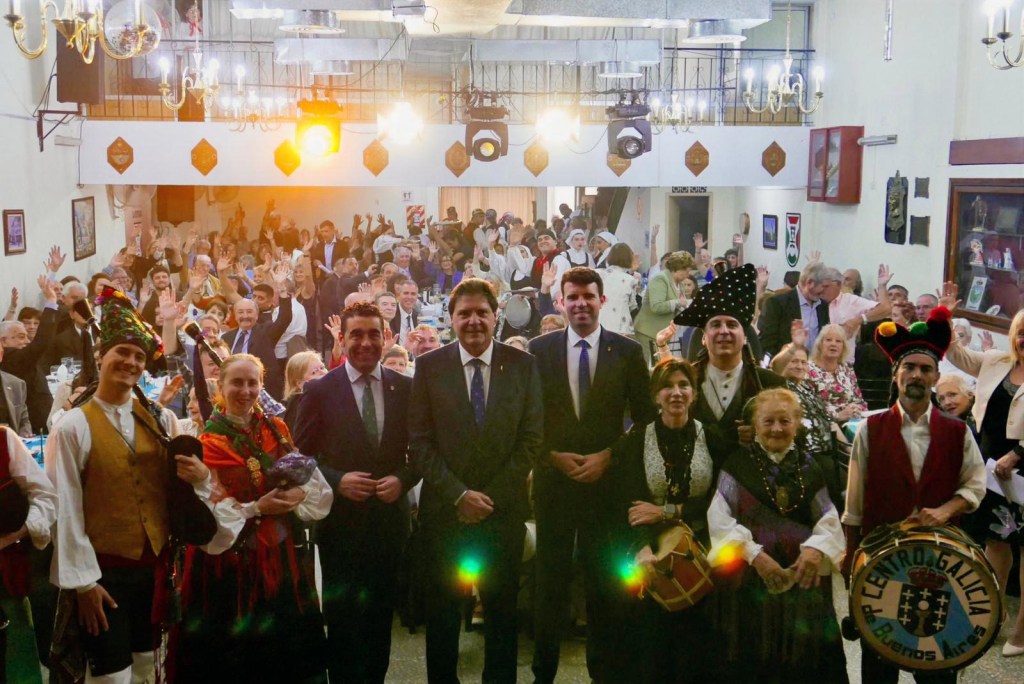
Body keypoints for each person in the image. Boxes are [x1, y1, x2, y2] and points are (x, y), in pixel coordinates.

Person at [45, 287, 215, 684]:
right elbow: (65, 510)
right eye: (122, 352)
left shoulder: (161, 420)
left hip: (153, 572)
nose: (131, 362)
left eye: (139, 356)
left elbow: (178, 491)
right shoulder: (73, 426)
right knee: (110, 676)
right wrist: (84, 584)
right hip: (104, 576)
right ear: (101, 356)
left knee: (148, 667)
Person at [842, 305, 987, 681]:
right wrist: (850, 560)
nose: (917, 375)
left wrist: (945, 510)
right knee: (879, 665)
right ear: (896, 373)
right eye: (909, 367)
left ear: (937, 376)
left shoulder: (958, 432)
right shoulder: (870, 429)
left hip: (940, 565)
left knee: (937, 665)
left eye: (925, 369)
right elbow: (854, 504)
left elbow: (974, 485)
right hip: (880, 560)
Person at [409, 278, 543, 684]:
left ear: (495, 316)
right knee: (443, 618)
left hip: (501, 515)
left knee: (502, 619)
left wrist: (489, 497)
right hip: (445, 516)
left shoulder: (523, 365)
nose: (473, 321)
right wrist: (459, 495)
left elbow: (531, 440)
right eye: (464, 313)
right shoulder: (429, 367)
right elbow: (419, 443)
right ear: (450, 319)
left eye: (481, 312)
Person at [528, 267, 656, 684]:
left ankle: (605, 672)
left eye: (589, 296)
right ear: (560, 302)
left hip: (607, 486)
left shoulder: (629, 351)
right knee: (550, 583)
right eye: (573, 297)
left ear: (602, 301)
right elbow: (527, 419)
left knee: (604, 585)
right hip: (554, 484)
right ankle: (542, 672)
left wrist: (609, 456)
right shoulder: (538, 349)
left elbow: (644, 421)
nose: (581, 303)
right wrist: (549, 456)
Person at [178, 354, 332, 682]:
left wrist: (298, 495)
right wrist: (258, 508)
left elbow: (307, 480)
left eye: (253, 382)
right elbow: (209, 516)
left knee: (285, 657)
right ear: (220, 387)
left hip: (280, 556)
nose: (245, 390)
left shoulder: (276, 429)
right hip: (229, 569)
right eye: (237, 382)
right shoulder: (208, 444)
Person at [294, 301, 419, 683]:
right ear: (342, 339)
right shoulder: (319, 390)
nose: (365, 342)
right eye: (356, 335)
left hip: (388, 524)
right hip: (341, 526)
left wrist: (403, 478)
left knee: (380, 621)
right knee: (344, 623)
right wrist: (336, 479)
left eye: (373, 334)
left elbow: (423, 450)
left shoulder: (407, 388)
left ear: (386, 337)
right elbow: (299, 458)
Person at [708, 388, 848, 683]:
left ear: (797, 423)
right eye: (768, 421)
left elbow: (828, 518)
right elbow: (719, 520)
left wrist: (815, 549)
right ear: (755, 425)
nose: (776, 429)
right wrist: (755, 556)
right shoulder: (736, 464)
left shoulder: (812, 467)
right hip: (751, 582)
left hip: (804, 580)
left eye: (784, 421)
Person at [618, 357, 719, 683]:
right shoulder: (636, 439)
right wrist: (641, 549)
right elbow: (629, 503)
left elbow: (720, 502)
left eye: (683, 385)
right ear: (655, 396)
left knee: (698, 652)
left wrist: (668, 512)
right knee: (654, 650)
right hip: (650, 548)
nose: (676, 393)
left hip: (703, 549)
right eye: (667, 386)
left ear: (694, 393)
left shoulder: (713, 438)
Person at [942, 301, 1024, 657]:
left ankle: (1022, 632)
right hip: (993, 471)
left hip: (1021, 467)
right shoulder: (995, 361)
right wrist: (943, 316)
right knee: (995, 543)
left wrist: (1019, 453)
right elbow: (955, 353)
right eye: (1021, 332)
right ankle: (989, 616)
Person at [675, 264, 787, 455]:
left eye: (732, 325)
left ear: (744, 337)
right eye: (716, 324)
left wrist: (762, 433)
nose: (724, 331)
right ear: (703, 337)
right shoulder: (683, 380)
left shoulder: (771, 384)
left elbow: (791, 436)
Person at [0, 426, 57, 684]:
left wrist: (13, 534)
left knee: (18, 670)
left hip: (6, 584)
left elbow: (46, 497)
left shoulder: (4, 440)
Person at [770, 340, 847, 510]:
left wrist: (848, 447)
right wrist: (794, 345)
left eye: (803, 362)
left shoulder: (807, 387)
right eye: (794, 361)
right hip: (807, 453)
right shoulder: (780, 387)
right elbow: (775, 365)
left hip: (829, 448)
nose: (799, 366)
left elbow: (828, 420)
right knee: (838, 479)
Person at [634, 251, 696, 365]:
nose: (688, 275)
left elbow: (679, 308)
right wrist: (677, 302)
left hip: (662, 335)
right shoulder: (660, 279)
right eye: (686, 271)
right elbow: (656, 306)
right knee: (648, 368)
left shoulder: (680, 283)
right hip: (648, 332)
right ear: (678, 268)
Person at [757, 261, 830, 356]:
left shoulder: (823, 306)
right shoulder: (777, 303)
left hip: (813, 367)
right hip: (785, 366)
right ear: (810, 282)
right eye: (824, 286)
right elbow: (767, 343)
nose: (826, 291)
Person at [806, 323, 868, 424]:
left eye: (838, 341)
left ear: (843, 347)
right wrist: (838, 416)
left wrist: (856, 410)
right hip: (827, 425)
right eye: (828, 340)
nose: (833, 344)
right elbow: (810, 408)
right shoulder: (808, 370)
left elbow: (859, 400)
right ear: (820, 344)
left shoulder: (847, 368)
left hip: (854, 422)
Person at [597, 243, 641, 337]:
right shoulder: (631, 280)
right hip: (620, 327)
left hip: (598, 325)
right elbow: (632, 306)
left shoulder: (598, 274)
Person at [281, 350, 327, 430]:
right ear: (300, 383)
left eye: (322, 367)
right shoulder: (300, 405)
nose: (323, 373)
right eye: (314, 372)